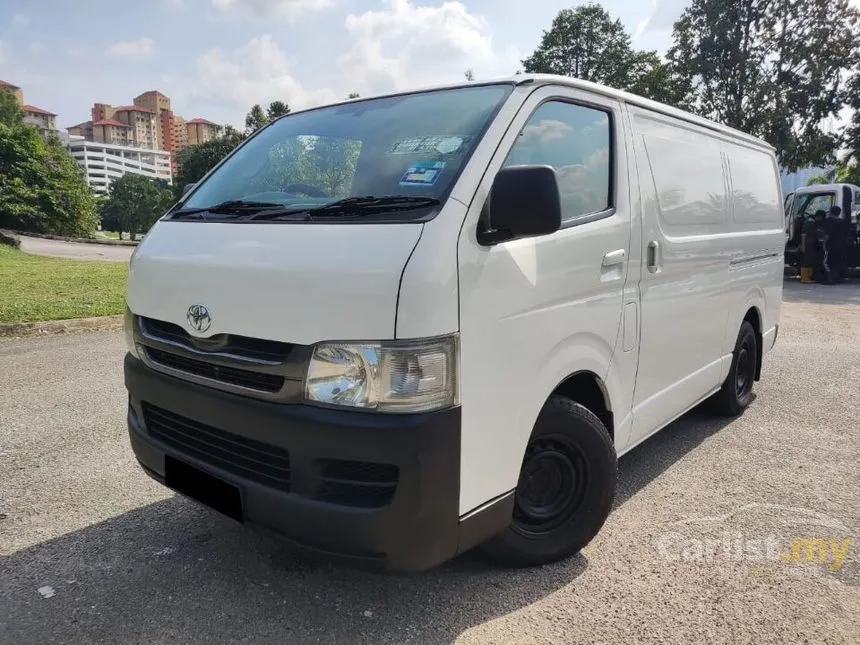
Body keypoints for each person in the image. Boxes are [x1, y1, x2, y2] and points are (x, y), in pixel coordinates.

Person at [800, 210, 825, 283]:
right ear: (819, 217)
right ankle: (804, 279)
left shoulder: (814, 222)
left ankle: (808, 277)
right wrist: (803, 245)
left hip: (811, 244)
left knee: (810, 260)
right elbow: (803, 234)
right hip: (807, 244)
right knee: (806, 261)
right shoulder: (809, 222)